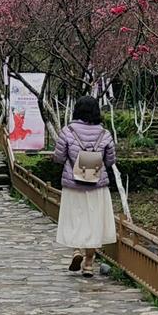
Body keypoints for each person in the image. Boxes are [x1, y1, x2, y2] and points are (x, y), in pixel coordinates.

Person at [53, 96, 117, 277]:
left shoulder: (68, 131)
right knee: (94, 222)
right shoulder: (105, 134)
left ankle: (77, 251)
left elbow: (59, 157)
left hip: (74, 184)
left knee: (75, 219)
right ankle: (89, 263)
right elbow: (111, 160)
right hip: (97, 185)